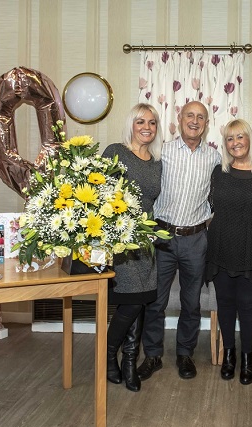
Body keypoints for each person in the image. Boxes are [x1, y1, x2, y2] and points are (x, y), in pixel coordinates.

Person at [137, 101, 221, 381]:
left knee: (191, 302)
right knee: (156, 302)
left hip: (196, 239)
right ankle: (152, 355)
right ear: (179, 119)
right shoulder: (162, 152)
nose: (195, 121)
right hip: (162, 237)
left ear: (206, 124)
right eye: (190, 116)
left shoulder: (214, 158)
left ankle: (185, 354)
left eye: (200, 117)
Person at [206, 119, 252, 385]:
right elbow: (211, 207)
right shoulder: (219, 172)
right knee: (225, 305)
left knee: (248, 306)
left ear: (249, 139)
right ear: (225, 144)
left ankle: (247, 357)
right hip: (220, 247)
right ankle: (229, 354)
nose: (235, 142)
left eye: (240, 137)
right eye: (229, 138)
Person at [101, 103, 163, 392]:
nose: (146, 127)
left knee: (140, 301)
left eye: (152, 122)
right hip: (121, 240)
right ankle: (108, 356)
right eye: (140, 121)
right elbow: (100, 196)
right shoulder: (116, 152)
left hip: (146, 241)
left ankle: (128, 363)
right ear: (131, 124)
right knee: (131, 301)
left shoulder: (156, 161)